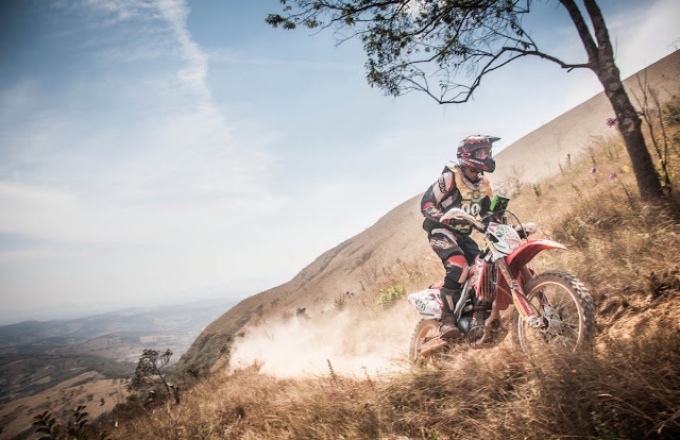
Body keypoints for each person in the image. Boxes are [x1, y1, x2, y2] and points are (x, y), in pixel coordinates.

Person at [420, 135, 500, 338]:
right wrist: (443, 218)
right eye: (482, 153)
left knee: (485, 269)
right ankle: (447, 320)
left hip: (464, 235)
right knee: (459, 266)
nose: (487, 156)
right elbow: (426, 204)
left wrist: (499, 224)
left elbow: (489, 214)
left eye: (488, 152)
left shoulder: (484, 184)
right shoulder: (450, 178)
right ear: (467, 156)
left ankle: (476, 315)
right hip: (441, 231)